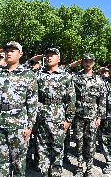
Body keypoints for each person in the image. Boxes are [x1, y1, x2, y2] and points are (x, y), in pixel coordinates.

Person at [0, 41, 39, 176]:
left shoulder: (28, 75)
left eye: (13, 50)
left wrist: (29, 126)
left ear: (20, 54)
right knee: (1, 163)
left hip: (18, 125)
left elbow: (32, 103)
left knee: (18, 164)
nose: (9, 53)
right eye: (7, 50)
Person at [35, 48, 76, 177]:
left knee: (57, 148)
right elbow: (33, 96)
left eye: (52, 55)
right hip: (42, 117)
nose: (49, 57)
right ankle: (44, 172)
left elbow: (71, 100)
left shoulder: (66, 76)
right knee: (42, 148)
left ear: (58, 58)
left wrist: (69, 120)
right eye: (47, 55)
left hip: (58, 117)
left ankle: (56, 173)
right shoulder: (39, 75)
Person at [72, 53, 106, 177]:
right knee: (79, 142)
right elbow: (72, 97)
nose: (88, 63)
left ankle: (89, 168)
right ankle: (80, 166)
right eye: (85, 61)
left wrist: (99, 117)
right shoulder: (75, 77)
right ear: (82, 62)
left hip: (92, 117)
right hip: (78, 116)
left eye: (90, 61)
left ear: (94, 63)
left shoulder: (99, 80)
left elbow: (102, 100)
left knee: (91, 143)